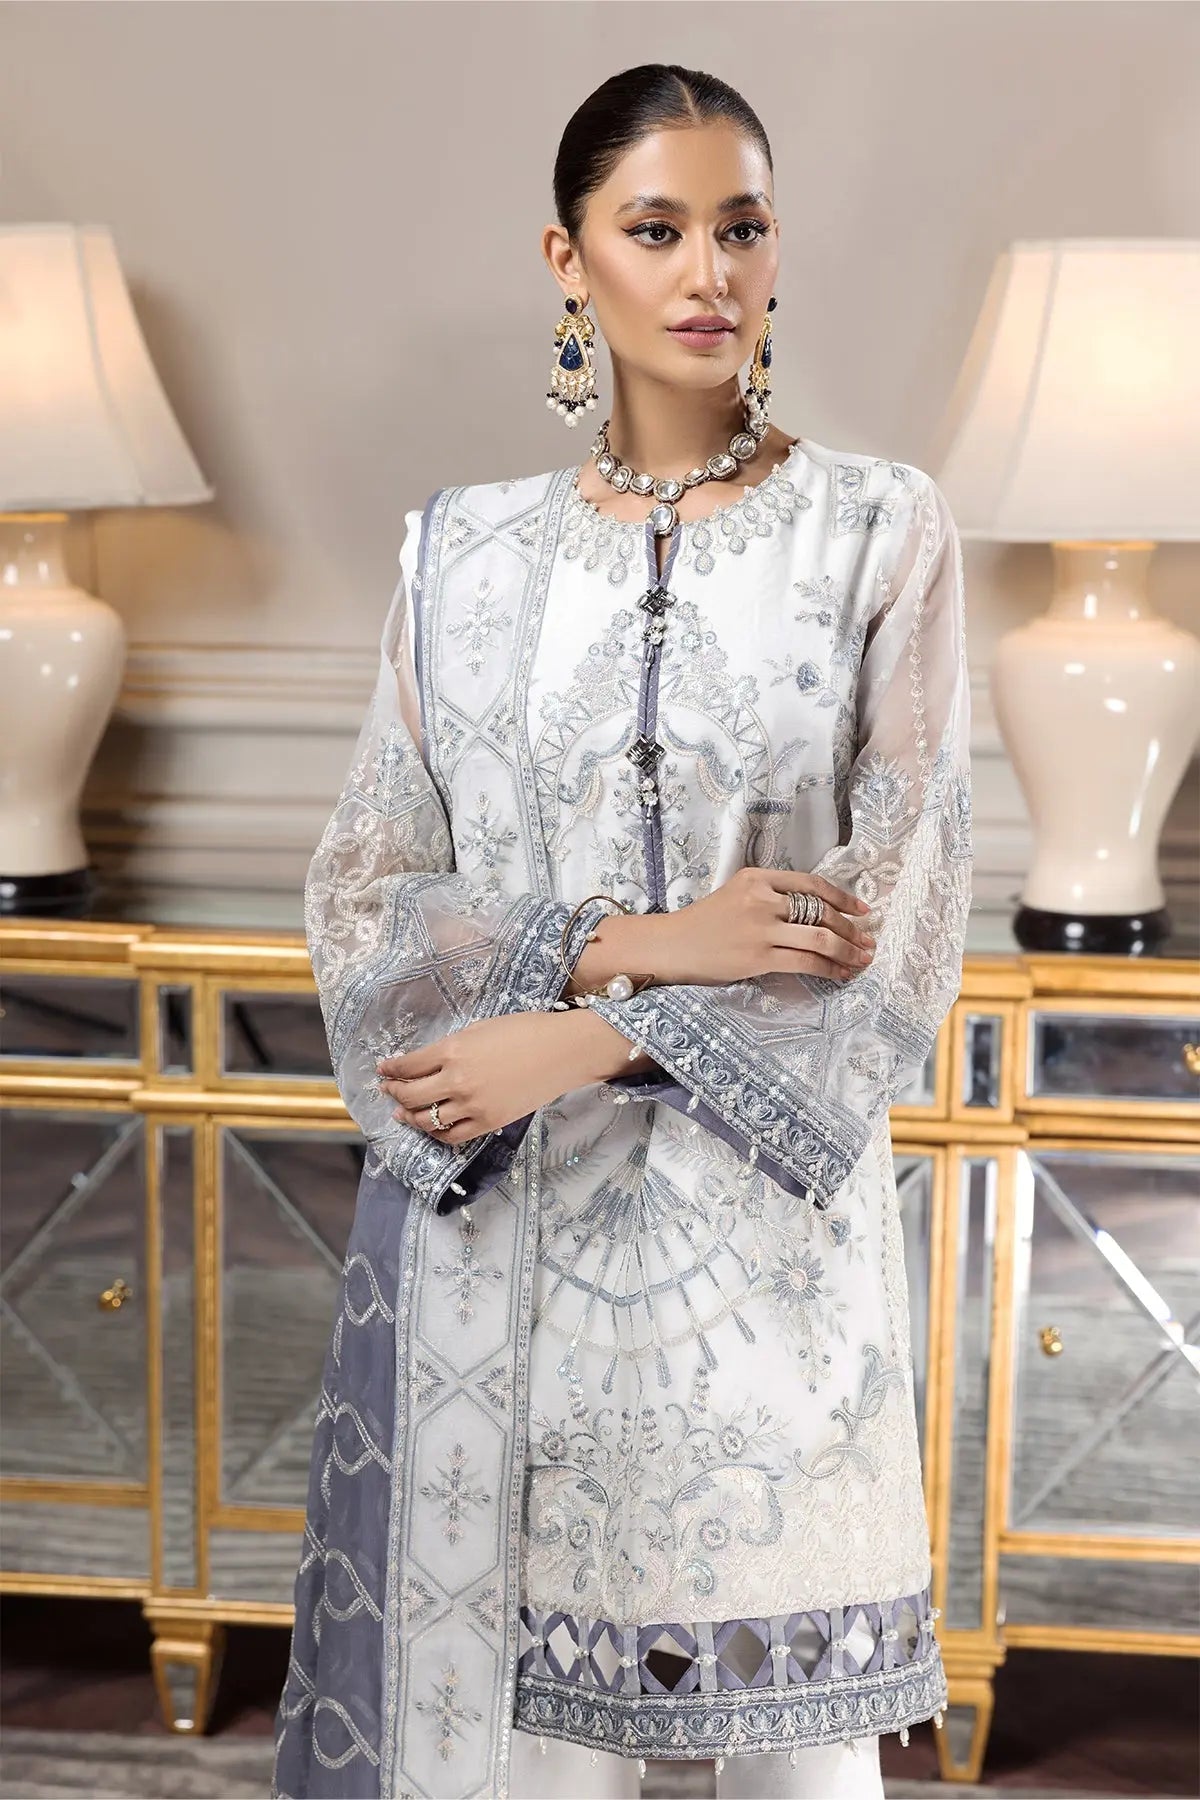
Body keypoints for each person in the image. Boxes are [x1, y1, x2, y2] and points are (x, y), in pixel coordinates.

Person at [272, 60, 971, 1800]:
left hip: (772, 1265)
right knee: (520, 1759)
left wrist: (574, 1037)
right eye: (656, 229)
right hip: (507, 1261)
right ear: (568, 258)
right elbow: (365, 899)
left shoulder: (876, 531)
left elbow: (891, 924)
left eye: (742, 227)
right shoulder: (460, 557)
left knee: (803, 1757)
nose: (707, 271)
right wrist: (634, 946)